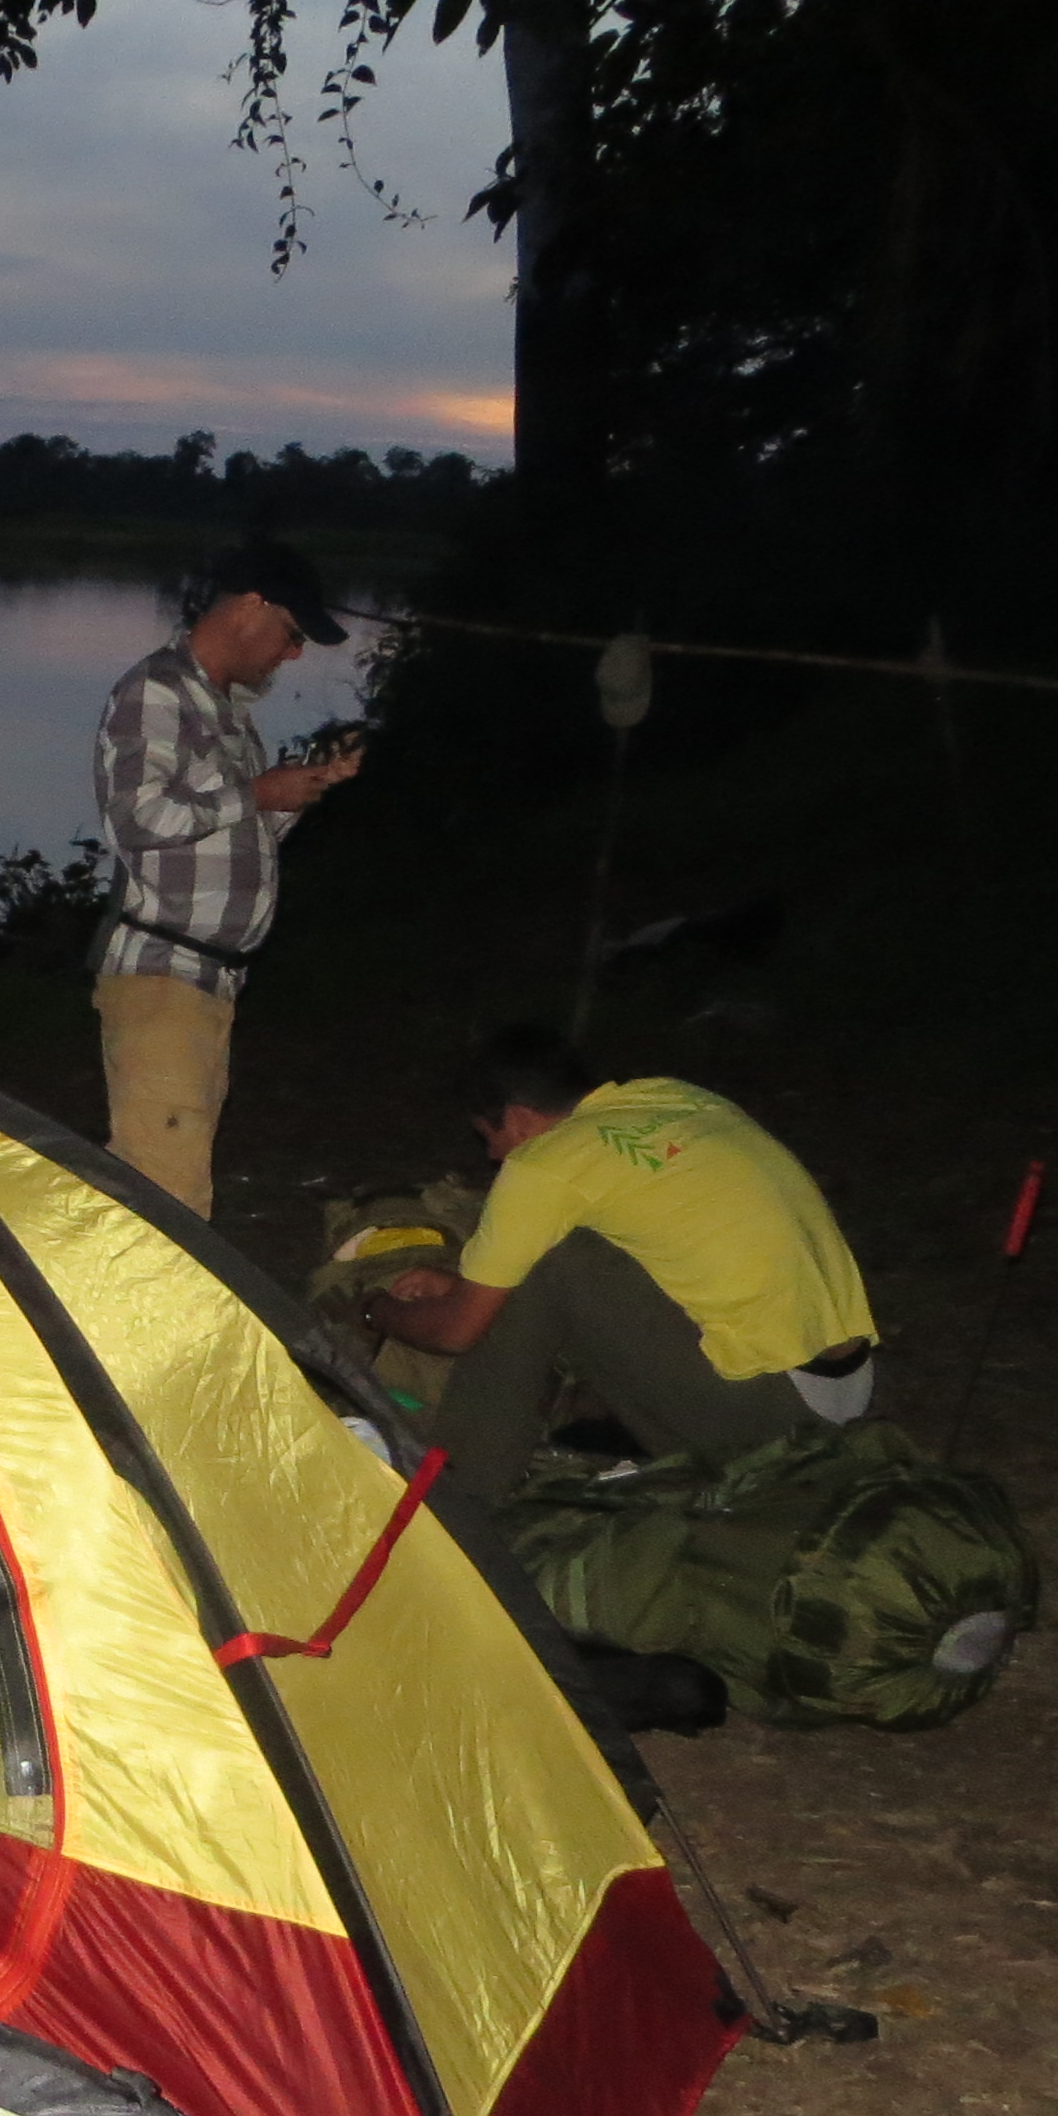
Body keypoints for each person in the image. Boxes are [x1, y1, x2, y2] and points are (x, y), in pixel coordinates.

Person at [368, 1026, 881, 1503]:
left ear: (519, 1117)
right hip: (844, 1393)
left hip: (777, 1419)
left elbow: (457, 1333)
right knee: (576, 1250)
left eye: (489, 1137)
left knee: (553, 1263)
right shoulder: (678, 1098)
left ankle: (462, 1497)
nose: (495, 1158)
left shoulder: (546, 1162)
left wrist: (383, 1313)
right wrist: (468, 1287)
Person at [88, 542, 365, 1217]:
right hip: (162, 978)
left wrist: (300, 792)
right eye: (292, 634)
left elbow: (230, 832)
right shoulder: (156, 691)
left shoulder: (228, 712)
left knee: (171, 1183)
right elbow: (138, 818)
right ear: (250, 609)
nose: (294, 654)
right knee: (167, 1198)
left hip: (212, 984)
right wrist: (259, 792)